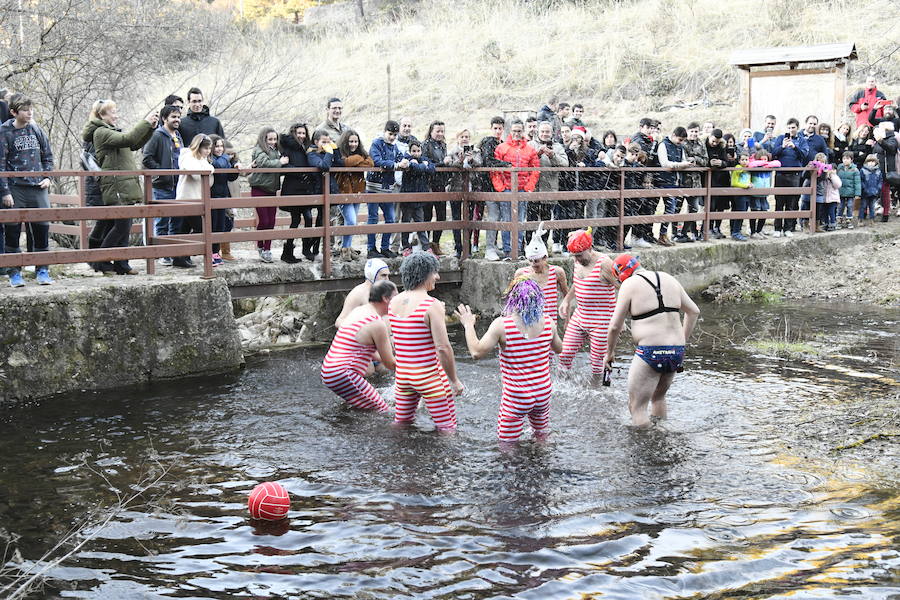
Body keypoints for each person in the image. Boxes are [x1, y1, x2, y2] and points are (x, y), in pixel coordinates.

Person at [455, 276, 563, 442]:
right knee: (541, 435)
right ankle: (543, 464)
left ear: (513, 298)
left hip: (517, 396)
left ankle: (512, 467)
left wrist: (468, 325)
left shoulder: (502, 325)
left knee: (507, 444)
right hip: (543, 392)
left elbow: (476, 352)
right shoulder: (548, 322)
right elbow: (559, 349)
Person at [605, 254, 700, 428]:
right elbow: (694, 311)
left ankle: (648, 446)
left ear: (622, 274)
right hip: (676, 352)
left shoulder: (629, 284)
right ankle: (661, 436)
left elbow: (614, 327)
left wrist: (609, 353)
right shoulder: (670, 279)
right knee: (658, 398)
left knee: (636, 407)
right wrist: (682, 342)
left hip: (650, 352)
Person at [389, 253, 463, 431]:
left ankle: (398, 456)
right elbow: (443, 348)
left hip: (403, 377)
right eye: (434, 272)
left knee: (402, 422)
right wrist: (454, 380)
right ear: (424, 274)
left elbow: (399, 339)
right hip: (429, 377)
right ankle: (448, 460)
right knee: (447, 427)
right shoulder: (431, 305)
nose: (437, 276)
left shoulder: (394, 302)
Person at [83, 99, 157, 275]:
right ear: (102, 115)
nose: (116, 115)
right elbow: (128, 138)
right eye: (113, 112)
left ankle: (121, 264)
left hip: (124, 185)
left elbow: (134, 144)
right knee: (122, 227)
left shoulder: (109, 131)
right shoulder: (101, 132)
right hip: (116, 186)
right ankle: (100, 259)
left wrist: (150, 128)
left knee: (125, 228)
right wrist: (145, 122)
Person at [0, 94, 54, 287]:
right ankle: (14, 273)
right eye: (24, 110)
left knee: (41, 229)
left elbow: (47, 156)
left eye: (31, 109)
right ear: (14, 112)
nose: (29, 113)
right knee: (12, 231)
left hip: (38, 187)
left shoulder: (36, 129)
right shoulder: (4, 132)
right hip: (15, 188)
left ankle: (42, 271)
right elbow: (1, 164)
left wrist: (48, 177)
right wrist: (5, 192)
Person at [320, 279, 398, 412]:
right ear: (385, 299)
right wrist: (415, 366)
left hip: (329, 371)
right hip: (344, 373)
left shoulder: (359, 311)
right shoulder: (377, 323)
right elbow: (390, 363)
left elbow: (362, 348)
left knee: (362, 406)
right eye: (395, 297)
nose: (397, 302)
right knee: (383, 410)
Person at [558, 228, 618, 381]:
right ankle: (561, 387)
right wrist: (567, 300)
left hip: (602, 320)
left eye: (579, 256)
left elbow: (624, 288)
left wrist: (620, 318)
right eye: (574, 256)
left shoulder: (605, 264)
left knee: (598, 363)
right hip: (581, 316)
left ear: (590, 249)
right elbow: (578, 283)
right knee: (564, 354)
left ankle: (604, 389)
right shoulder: (577, 260)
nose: (577, 260)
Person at [488, 118, 540, 260]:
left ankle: (518, 249)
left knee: (520, 220)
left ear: (522, 131)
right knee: (507, 220)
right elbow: (495, 170)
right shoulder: (502, 148)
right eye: (514, 131)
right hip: (506, 189)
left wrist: (529, 187)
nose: (517, 133)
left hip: (522, 189)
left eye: (519, 131)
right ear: (510, 131)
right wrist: (500, 187)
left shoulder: (530, 150)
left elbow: (535, 169)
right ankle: (507, 250)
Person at [142, 104, 184, 265]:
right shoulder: (157, 135)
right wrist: (162, 171)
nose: (177, 120)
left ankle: (172, 252)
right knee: (162, 220)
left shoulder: (178, 135)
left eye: (178, 117)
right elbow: (147, 158)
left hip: (178, 185)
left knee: (176, 220)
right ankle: (162, 254)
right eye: (173, 117)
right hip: (162, 185)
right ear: (164, 118)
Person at [513, 223, 569, 325]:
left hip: (550, 324)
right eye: (530, 261)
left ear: (544, 258)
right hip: (529, 323)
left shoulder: (557, 272)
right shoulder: (521, 274)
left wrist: (567, 320)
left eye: (536, 261)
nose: (533, 264)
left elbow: (567, 296)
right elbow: (515, 300)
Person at [365, 120, 405, 258]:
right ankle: (371, 249)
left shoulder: (394, 147)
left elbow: (402, 157)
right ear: (385, 132)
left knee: (391, 218)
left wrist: (407, 161)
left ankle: (385, 247)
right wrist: (395, 165)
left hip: (387, 187)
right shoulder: (377, 143)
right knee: (373, 217)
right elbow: (377, 160)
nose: (392, 137)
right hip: (374, 186)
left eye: (395, 135)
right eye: (390, 134)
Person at [248, 127, 287, 263]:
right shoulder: (259, 150)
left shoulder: (276, 151)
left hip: (271, 189)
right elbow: (264, 163)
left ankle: (267, 249)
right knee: (264, 220)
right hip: (259, 188)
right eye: (270, 139)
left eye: (275, 139)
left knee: (271, 220)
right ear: (263, 139)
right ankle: (260, 245)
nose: (273, 142)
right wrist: (280, 162)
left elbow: (277, 169)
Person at [527, 121, 568, 243]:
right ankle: (529, 244)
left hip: (549, 187)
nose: (545, 134)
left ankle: (543, 244)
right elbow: (525, 162)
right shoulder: (530, 144)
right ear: (538, 132)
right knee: (531, 219)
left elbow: (565, 163)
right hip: (532, 187)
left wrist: (552, 155)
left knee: (546, 219)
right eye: (542, 131)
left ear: (552, 133)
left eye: (547, 132)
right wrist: (537, 155)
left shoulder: (557, 147)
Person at [335, 129, 373, 261]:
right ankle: (345, 249)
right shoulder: (339, 152)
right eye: (351, 141)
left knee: (350, 221)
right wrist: (358, 159)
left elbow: (370, 163)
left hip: (357, 190)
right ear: (345, 142)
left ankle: (348, 247)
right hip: (343, 191)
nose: (353, 144)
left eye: (356, 141)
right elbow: (344, 162)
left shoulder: (361, 152)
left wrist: (356, 160)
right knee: (351, 221)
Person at [278, 123, 313, 263]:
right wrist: (300, 173)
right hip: (293, 188)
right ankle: (287, 252)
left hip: (306, 188)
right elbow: (284, 165)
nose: (301, 136)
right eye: (299, 133)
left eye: (303, 133)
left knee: (309, 218)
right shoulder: (288, 147)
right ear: (294, 133)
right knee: (296, 220)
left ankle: (306, 249)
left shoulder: (307, 147)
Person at [175, 134, 214, 260]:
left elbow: (209, 174)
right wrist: (208, 169)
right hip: (187, 198)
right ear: (198, 147)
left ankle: (181, 257)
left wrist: (208, 169)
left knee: (184, 228)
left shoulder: (202, 159)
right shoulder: (188, 157)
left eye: (209, 149)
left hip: (197, 198)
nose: (208, 151)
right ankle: (184, 254)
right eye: (206, 148)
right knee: (200, 227)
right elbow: (197, 175)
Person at [446, 128, 482, 257]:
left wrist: (471, 159)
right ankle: (458, 247)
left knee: (470, 218)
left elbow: (479, 163)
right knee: (456, 218)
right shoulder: (452, 152)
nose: (465, 139)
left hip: (471, 188)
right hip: (456, 187)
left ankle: (468, 246)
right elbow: (450, 165)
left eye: (467, 136)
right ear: (458, 138)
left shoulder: (476, 151)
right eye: (462, 137)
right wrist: (460, 161)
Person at [771, 118, 809, 237]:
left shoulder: (802, 140)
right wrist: (782, 146)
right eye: (789, 127)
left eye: (793, 127)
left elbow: (804, 155)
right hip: (781, 174)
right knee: (779, 202)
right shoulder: (780, 138)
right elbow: (773, 154)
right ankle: (777, 228)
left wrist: (794, 147)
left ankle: (788, 228)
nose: (791, 130)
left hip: (795, 175)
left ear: (797, 128)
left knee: (791, 203)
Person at [478, 117, 510, 257]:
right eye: (495, 128)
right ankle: (489, 248)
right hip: (489, 184)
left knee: (500, 215)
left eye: (500, 128)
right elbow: (488, 160)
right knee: (493, 215)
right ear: (491, 128)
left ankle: (495, 245)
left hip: (500, 184)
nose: (497, 131)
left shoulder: (502, 143)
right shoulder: (488, 142)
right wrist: (506, 165)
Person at [656, 126, 692, 246]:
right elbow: (664, 163)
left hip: (675, 181)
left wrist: (685, 163)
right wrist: (682, 165)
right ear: (673, 135)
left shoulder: (679, 147)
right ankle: (661, 235)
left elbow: (682, 160)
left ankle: (663, 234)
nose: (681, 143)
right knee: (670, 209)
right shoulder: (663, 145)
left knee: (672, 209)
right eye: (680, 140)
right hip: (663, 181)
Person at [399, 140, 435, 255]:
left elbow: (432, 169)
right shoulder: (407, 159)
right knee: (406, 223)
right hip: (407, 198)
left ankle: (426, 246)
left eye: (418, 151)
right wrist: (422, 166)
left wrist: (422, 165)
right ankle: (405, 246)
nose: (416, 153)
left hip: (419, 199)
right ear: (409, 151)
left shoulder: (424, 159)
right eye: (413, 151)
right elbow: (416, 169)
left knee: (420, 223)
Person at [209, 134, 240, 264]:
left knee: (221, 225)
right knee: (212, 225)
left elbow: (229, 177)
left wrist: (235, 169)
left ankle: (216, 252)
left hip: (223, 194)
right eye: (216, 146)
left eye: (221, 146)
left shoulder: (225, 159)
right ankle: (210, 252)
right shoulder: (210, 160)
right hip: (212, 195)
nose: (219, 149)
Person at [674, 122, 708, 242]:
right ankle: (674, 233)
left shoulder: (701, 144)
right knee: (676, 208)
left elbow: (705, 160)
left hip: (695, 182)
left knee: (693, 208)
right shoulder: (682, 143)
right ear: (688, 131)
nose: (694, 134)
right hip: (681, 180)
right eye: (692, 131)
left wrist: (695, 159)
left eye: (696, 131)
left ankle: (684, 233)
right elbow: (682, 159)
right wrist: (689, 161)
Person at [335, 257, 390, 328]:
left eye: (388, 275)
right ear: (372, 275)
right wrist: (361, 330)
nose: (387, 279)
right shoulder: (358, 293)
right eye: (383, 275)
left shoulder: (385, 291)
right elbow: (340, 321)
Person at [421, 120, 450, 254]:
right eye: (437, 131)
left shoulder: (443, 145)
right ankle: (425, 244)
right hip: (428, 183)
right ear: (431, 131)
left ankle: (436, 243)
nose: (440, 134)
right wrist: (442, 163)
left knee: (441, 216)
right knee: (427, 215)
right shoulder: (425, 145)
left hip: (441, 184)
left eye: (442, 131)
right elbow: (427, 162)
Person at [747, 149, 780, 238]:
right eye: (761, 159)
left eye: (765, 159)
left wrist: (766, 164)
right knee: (755, 211)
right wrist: (761, 163)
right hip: (755, 193)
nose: (763, 161)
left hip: (764, 193)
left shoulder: (768, 167)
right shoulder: (755, 167)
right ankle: (753, 232)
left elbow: (778, 163)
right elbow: (751, 164)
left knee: (764, 211)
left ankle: (759, 230)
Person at [728, 152, 752, 240]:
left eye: (746, 160)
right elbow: (734, 182)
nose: (744, 162)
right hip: (738, 193)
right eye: (742, 160)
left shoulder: (748, 170)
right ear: (739, 161)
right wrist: (746, 186)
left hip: (746, 193)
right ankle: (735, 232)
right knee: (739, 212)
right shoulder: (738, 168)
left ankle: (736, 231)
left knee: (742, 212)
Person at [835, 150, 861, 228]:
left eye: (847, 158)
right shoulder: (839, 168)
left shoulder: (855, 170)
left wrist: (857, 194)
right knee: (840, 206)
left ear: (851, 160)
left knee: (850, 206)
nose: (845, 160)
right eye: (844, 159)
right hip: (841, 191)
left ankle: (849, 220)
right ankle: (839, 221)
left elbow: (857, 183)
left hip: (851, 192)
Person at [858, 154, 882, 225]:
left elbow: (880, 181)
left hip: (874, 192)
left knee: (872, 207)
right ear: (866, 162)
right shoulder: (863, 170)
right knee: (863, 206)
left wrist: (878, 188)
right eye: (869, 161)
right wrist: (864, 188)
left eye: (873, 161)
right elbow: (861, 180)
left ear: (876, 162)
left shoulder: (878, 171)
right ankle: (860, 220)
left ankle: (872, 219)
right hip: (865, 192)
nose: (871, 163)